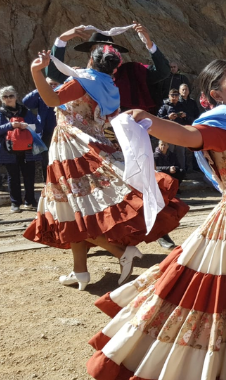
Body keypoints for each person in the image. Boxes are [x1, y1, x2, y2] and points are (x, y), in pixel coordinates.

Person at [86, 58, 226, 380]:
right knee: (224, 298)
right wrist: (149, 119)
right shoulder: (222, 128)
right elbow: (186, 133)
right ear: (217, 94)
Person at [24, 47, 188, 291]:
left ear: (91, 59)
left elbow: (51, 100)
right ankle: (80, 270)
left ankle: (120, 251)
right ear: (114, 68)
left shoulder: (84, 81)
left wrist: (35, 71)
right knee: (76, 207)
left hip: (71, 146)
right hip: (95, 141)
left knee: (71, 208)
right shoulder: (111, 86)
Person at [47, 24, 171, 113]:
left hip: (128, 130)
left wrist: (150, 45)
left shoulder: (132, 71)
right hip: (93, 136)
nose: (102, 53)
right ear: (91, 54)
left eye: (106, 49)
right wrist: (62, 40)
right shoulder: (83, 76)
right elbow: (53, 72)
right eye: (97, 49)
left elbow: (163, 72)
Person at [0, 86, 41, 213]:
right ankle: (15, 203)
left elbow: (38, 126)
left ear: (16, 96)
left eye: (11, 96)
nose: (8, 99)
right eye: (5, 96)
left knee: (29, 176)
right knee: (13, 177)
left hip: (27, 150)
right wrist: (10, 125)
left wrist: (26, 126)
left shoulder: (26, 111)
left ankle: (30, 201)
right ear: (1, 99)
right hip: (8, 150)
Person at [23, 77, 60, 183]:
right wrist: (41, 88)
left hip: (61, 132)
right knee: (46, 160)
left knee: (60, 158)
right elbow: (26, 102)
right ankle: (48, 182)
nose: (52, 87)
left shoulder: (64, 94)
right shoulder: (42, 95)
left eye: (54, 84)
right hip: (45, 133)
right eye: (50, 85)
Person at [158, 88, 189, 171]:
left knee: (181, 153)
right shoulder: (165, 106)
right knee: (169, 152)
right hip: (169, 133)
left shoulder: (182, 106)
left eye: (176, 95)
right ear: (169, 96)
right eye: (172, 95)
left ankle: (182, 171)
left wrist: (185, 116)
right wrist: (168, 117)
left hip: (180, 133)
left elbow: (189, 119)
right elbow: (158, 119)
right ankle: (170, 170)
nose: (174, 97)